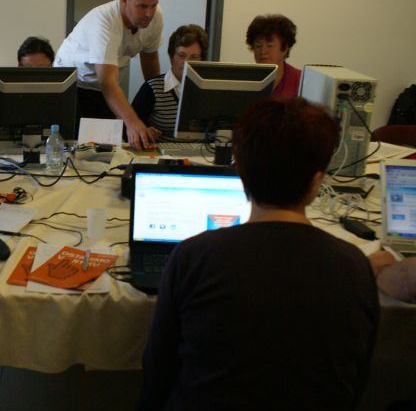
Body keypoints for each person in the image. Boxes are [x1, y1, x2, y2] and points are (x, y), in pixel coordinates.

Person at [140, 97, 379, 410]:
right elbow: (355, 380)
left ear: (241, 171)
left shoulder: (194, 256)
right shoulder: (355, 265)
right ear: (316, 181)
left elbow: (158, 371)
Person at [54, 0, 164, 149]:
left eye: (153, 5)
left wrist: (158, 101)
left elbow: (150, 58)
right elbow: (108, 82)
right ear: (124, 0)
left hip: (102, 85)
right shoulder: (105, 21)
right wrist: (133, 123)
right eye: (142, 6)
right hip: (73, 84)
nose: (149, 13)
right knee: (79, 147)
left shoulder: (156, 16)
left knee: (106, 147)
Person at [131, 24, 208, 141]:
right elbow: (128, 130)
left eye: (194, 57)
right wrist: (145, 133)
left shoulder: (209, 90)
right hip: (161, 151)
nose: (187, 62)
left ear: (202, 60)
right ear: (172, 57)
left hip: (202, 152)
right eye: (182, 55)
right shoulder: (152, 88)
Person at [246, 13, 302, 97]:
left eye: (270, 46)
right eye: (258, 46)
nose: (263, 51)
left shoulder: (300, 80)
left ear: (285, 48)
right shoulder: (245, 80)